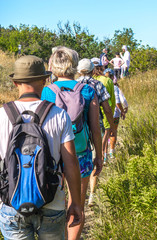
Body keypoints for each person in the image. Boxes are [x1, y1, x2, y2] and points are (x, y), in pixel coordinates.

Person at [0, 55, 83, 239]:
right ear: (44, 80)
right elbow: (71, 163)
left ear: (15, 83)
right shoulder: (59, 115)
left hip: (13, 203)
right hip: (52, 202)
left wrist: (10, 166)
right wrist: (76, 202)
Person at [41, 47, 103, 240]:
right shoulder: (87, 90)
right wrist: (99, 156)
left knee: (55, 204)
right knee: (77, 204)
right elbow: (95, 128)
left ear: (53, 65)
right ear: (74, 65)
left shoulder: (46, 92)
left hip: (54, 155)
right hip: (81, 153)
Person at [76, 58, 117, 207]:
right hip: (96, 126)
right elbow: (106, 108)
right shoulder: (97, 84)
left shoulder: (74, 85)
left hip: (78, 129)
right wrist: (111, 126)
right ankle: (92, 194)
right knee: (95, 160)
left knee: (78, 158)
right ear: (93, 70)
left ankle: (78, 194)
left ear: (79, 71)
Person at [91, 58, 116, 164]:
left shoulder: (85, 81)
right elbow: (112, 101)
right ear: (101, 67)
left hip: (90, 112)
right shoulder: (107, 81)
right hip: (104, 111)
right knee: (105, 133)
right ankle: (102, 156)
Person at [109, 78, 128, 158]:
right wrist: (124, 109)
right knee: (114, 132)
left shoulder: (102, 86)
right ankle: (112, 152)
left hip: (104, 113)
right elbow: (121, 100)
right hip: (115, 114)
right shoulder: (116, 88)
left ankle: (104, 154)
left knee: (105, 132)